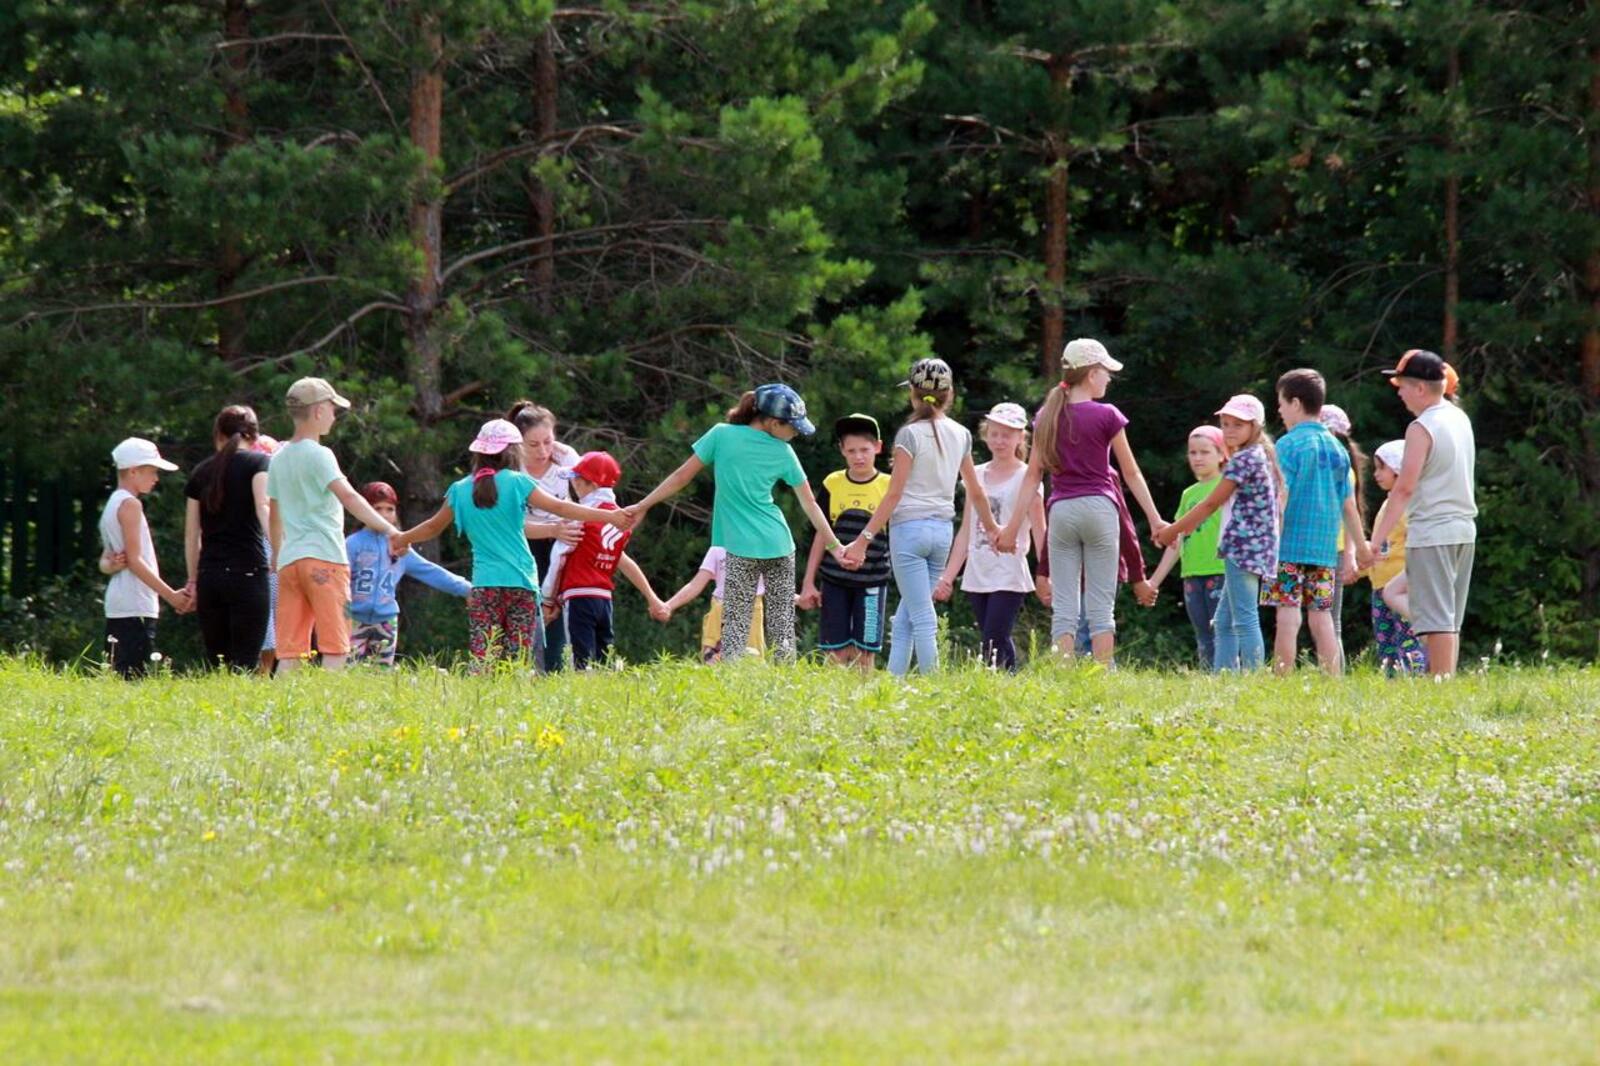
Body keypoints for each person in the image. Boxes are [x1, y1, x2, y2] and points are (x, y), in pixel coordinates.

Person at [627, 384, 845, 665]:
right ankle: (783, 695)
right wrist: (835, 546)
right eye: (793, 428)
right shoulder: (783, 452)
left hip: (740, 547)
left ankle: (737, 691)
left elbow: (681, 477)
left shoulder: (721, 435)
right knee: (782, 633)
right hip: (779, 544)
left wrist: (642, 505)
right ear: (773, 422)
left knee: (735, 634)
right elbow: (810, 504)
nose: (795, 434)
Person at [392, 420, 630, 669]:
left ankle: (482, 703)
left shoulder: (460, 489)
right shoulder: (518, 482)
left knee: (484, 658)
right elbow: (560, 507)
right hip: (522, 584)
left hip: (485, 585)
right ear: (513, 452)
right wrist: (610, 516)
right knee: (519, 659)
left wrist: (402, 538)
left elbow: (432, 527)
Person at [997, 339, 1166, 664]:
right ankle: (1103, 674)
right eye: (1105, 372)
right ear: (1091, 374)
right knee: (1101, 607)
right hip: (1099, 508)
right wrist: (1155, 518)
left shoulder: (1047, 415)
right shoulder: (1107, 415)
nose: (1108, 379)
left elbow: (1032, 477)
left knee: (1065, 607)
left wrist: (1011, 528)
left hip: (1061, 512)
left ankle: (1064, 672)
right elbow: (1130, 473)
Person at [840, 359, 1001, 676]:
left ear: (913, 394)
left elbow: (895, 493)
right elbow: (977, 492)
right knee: (906, 618)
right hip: (942, 532)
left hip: (909, 532)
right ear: (949, 393)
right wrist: (994, 529)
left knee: (922, 615)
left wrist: (862, 541)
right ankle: (894, 683)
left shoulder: (908, 435)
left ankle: (934, 683)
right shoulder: (961, 434)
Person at [267, 377, 402, 673]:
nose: (334, 415)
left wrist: (277, 555)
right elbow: (349, 497)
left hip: (290, 562)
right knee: (337, 645)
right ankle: (330, 708)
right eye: (331, 408)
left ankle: (280, 710)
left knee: (290, 651)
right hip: (325, 559)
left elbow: (274, 515)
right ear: (317, 412)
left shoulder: (278, 459)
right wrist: (390, 530)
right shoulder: (320, 454)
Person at [1366, 349, 1476, 678]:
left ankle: (1439, 685)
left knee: (1435, 616)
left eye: (1401, 385)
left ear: (1420, 388)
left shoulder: (1421, 428)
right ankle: (1445, 680)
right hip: (1463, 529)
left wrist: (1376, 541)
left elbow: (1403, 489)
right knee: (1448, 616)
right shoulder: (1459, 418)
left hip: (1432, 532)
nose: (1398, 392)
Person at [1154, 395, 1280, 671]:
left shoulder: (1244, 460)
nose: (1230, 430)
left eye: (1238, 424)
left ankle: (1254, 678)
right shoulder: (1258, 456)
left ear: (1255, 426)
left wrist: (1171, 531)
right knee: (1223, 621)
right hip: (1252, 546)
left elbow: (1211, 502)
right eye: (1225, 424)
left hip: (1243, 547)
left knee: (1244, 618)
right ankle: (1224, 677)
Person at [1266, 369, 1372, 675]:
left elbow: (1281, 498)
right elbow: (1349, 506)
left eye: (1282, 404)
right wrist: (1362, 548)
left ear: (1296, 403)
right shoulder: (1337, 449)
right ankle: (1333, 680)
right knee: (1321, 616)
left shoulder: (1287, 446)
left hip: (1288, 547)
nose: (1280, 410)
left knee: (1287, 614)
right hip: (1325, 551)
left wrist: (1272, 540)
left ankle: (1282, 677)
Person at [934, 402, 1049, 671]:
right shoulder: (976, 475)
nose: (999, 441)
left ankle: (1002, 685)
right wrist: (948, 577)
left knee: (993, 639)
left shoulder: (1028, 477)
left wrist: (1046, 574)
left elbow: (1040, 530)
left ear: (1021, 437)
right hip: (978, 570)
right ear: (985, 435)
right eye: (994, 433)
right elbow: (966, 531)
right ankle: (1007, 684)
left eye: (1007, 435)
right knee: (991, 639)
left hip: (1009, 571)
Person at [540, 451, 666, 668]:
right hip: (604, 599)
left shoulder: (581, 517)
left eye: (577, 480)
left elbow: (559, 558)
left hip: (578, 595)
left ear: (589, 484)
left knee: (579, 661)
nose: (574, 485)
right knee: (603, 658)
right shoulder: (621, 522)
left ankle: (583, 696)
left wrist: (548, 599)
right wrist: (652, 598)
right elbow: (621, 560)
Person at [798, 413, 893, 672]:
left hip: (872, 581)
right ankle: (833, 700)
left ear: (878, 447)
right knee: (834, 649)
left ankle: (863, 701)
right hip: (834, 580)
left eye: (864, 449)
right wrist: (808, 582)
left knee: (866, 650)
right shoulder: (833, 483)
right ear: (842, 451)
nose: (858, 456)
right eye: (851, 450)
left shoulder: (889, 485)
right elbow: (821, 533)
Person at [182, 405, 271, 671]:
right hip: (249, 573)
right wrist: (280, 549)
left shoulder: (200, 472)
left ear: (218, 434)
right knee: (245, 663)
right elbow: (263, 507)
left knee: (217, 665)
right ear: (254, 437)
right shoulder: (259, 464)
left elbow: (191, 534)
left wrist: (193, 580)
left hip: (210, 575)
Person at [346, 481, 471, 666]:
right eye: (377, 508)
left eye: (389, 509)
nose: (384, 515)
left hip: (386, 620)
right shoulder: (352, 544)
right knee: (349, 668)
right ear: (363, 510)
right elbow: (339, 577)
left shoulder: (400, 545)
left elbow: (430, 571)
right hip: (353, 618)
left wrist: (467, 589)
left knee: (381, 673)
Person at [99, 438, 191, 678]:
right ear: (132, 471)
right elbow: (136, 560)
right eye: (151, 471)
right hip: (134, 602)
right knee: (134, 676)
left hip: (119, 601)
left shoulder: (113, 503)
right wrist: (171, 596)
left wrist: (110, 565)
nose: (156, 478)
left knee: (120, 673)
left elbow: (105, 560)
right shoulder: (131, 505)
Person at [506, 400, 581, 671]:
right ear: (518, 443)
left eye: (548, 442)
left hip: (564, 539)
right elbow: (509, 524)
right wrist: (551, 528)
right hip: (524, 541)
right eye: (533, 445)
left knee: (559, 604)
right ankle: (523, 665)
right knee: (529, 603)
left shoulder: (567, 458)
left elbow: (587, 497)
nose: (543, 451)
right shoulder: (511, 469)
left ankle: (556, 668)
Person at [1147, 426, 1228, 669]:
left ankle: (1229, 678)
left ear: (1222, 454)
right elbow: (1176, 540)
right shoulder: (1188, 494)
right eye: (1193, 453)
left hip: (1221, 570)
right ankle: (1208, 681)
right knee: (1203, 635)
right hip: (1191, 575)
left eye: (1205, 452)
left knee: (1223, 633)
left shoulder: (1227, 486)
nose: (1198, 458)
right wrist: (1154, 581)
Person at [1363, 440, 1429, 675]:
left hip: (1402, 586)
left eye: (1382, 468)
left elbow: (1416, 539)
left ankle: (1415, 679)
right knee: (1386, 642)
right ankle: (1392, 683)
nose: (1376, 474)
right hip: (1380, 586)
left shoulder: (1407, 506)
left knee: (1408, 638)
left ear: (1398, 469)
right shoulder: (1387, 504)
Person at [1319, 402, 1367, 667]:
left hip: (1331, 550)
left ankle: (1333, 674)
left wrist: (1350, 555)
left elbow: (1350, 515)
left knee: (1327, 618)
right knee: (1326, 618)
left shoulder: (1341, 471)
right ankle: (1333, 673)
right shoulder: (1345, 469)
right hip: (1330, 550)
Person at [658, 545, 767, 663]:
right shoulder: (717, 549)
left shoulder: (763, 548)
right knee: (713, 662)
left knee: (752, 660)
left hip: (751, 610)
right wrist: (668, 605)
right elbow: (695, 584)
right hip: (719, 612)